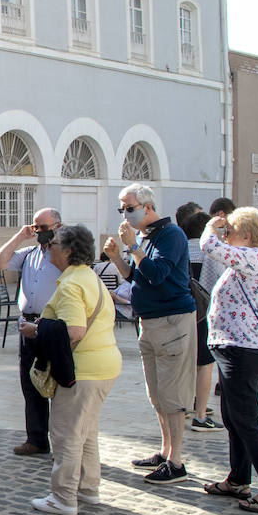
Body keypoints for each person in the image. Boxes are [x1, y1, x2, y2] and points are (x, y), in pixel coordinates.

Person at [20, 226, 120, 515]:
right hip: (103, 364)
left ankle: (63, 497)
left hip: (84, 369)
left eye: (53, 243)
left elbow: (74, 330)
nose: (48, 246)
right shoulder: (89, 278)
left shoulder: (72, 284)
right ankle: (87, 489)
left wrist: (35, 329)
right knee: (86, 431)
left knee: (65, 434)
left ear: (67, 250)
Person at [103, 183, 197, 485]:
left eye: (129, 208)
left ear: (147, 206)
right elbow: (136, 276)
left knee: (172, 393)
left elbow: (157, 274)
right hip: (149, 321)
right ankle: (165, 449)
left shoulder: (171, 235)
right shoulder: (145, 237)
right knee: (156, 392)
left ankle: (177, 461)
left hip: (172, 321)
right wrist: (118, 257)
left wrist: (132, 246)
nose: (125, 214)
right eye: (121, 209)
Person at [200, 208, 258, 512]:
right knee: (233, 417)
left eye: (230, 231)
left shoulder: (255, 258)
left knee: (247, 421)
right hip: (234, 349)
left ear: (246, 236)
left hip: (244, 351)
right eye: (225, 232)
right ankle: (238, 479)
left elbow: (209, 247)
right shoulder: (250, 259)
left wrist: (211, 226)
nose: (225, 236)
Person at [0, 208, 64, 457]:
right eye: (36, 227)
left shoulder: (64, 254)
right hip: (27, 325)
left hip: (52, 324)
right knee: (30, 382)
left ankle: (61, 441)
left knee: (57, 383)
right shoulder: (30, 253)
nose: (39, 232)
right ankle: (36, 438)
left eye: (44, 227)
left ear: (57, 226)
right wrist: (20, 236)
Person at [183, 211, 222, 432]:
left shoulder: (181, 248)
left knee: (186, 361)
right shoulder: (209, 252)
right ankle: (200, 413)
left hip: (181, 309)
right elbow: (213, 284)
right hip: (203, 311)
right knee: (204, 364)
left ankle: (186, 405)